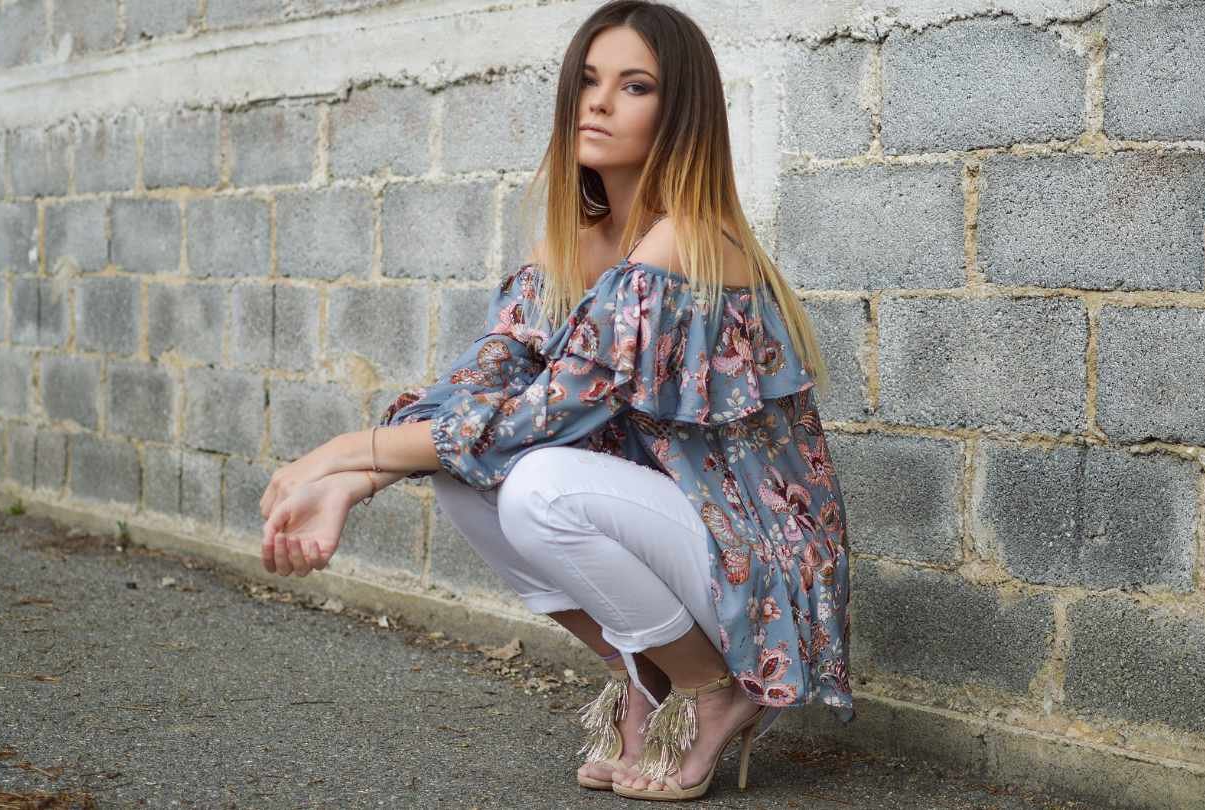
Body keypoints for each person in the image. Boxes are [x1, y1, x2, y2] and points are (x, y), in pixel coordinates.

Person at [257, 1, 853, 801]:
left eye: (634, 85)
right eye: (588, 80)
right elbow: (478, 393)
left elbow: (536, 424)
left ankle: (712, 689)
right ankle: (643, 674)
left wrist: (337, 452)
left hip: (752, 556)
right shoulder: (568, 247)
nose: (598, 102)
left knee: (539, 482)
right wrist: (348, 485)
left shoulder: (686, 243)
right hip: (675, 541)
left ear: (681, 113)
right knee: (469, 476)